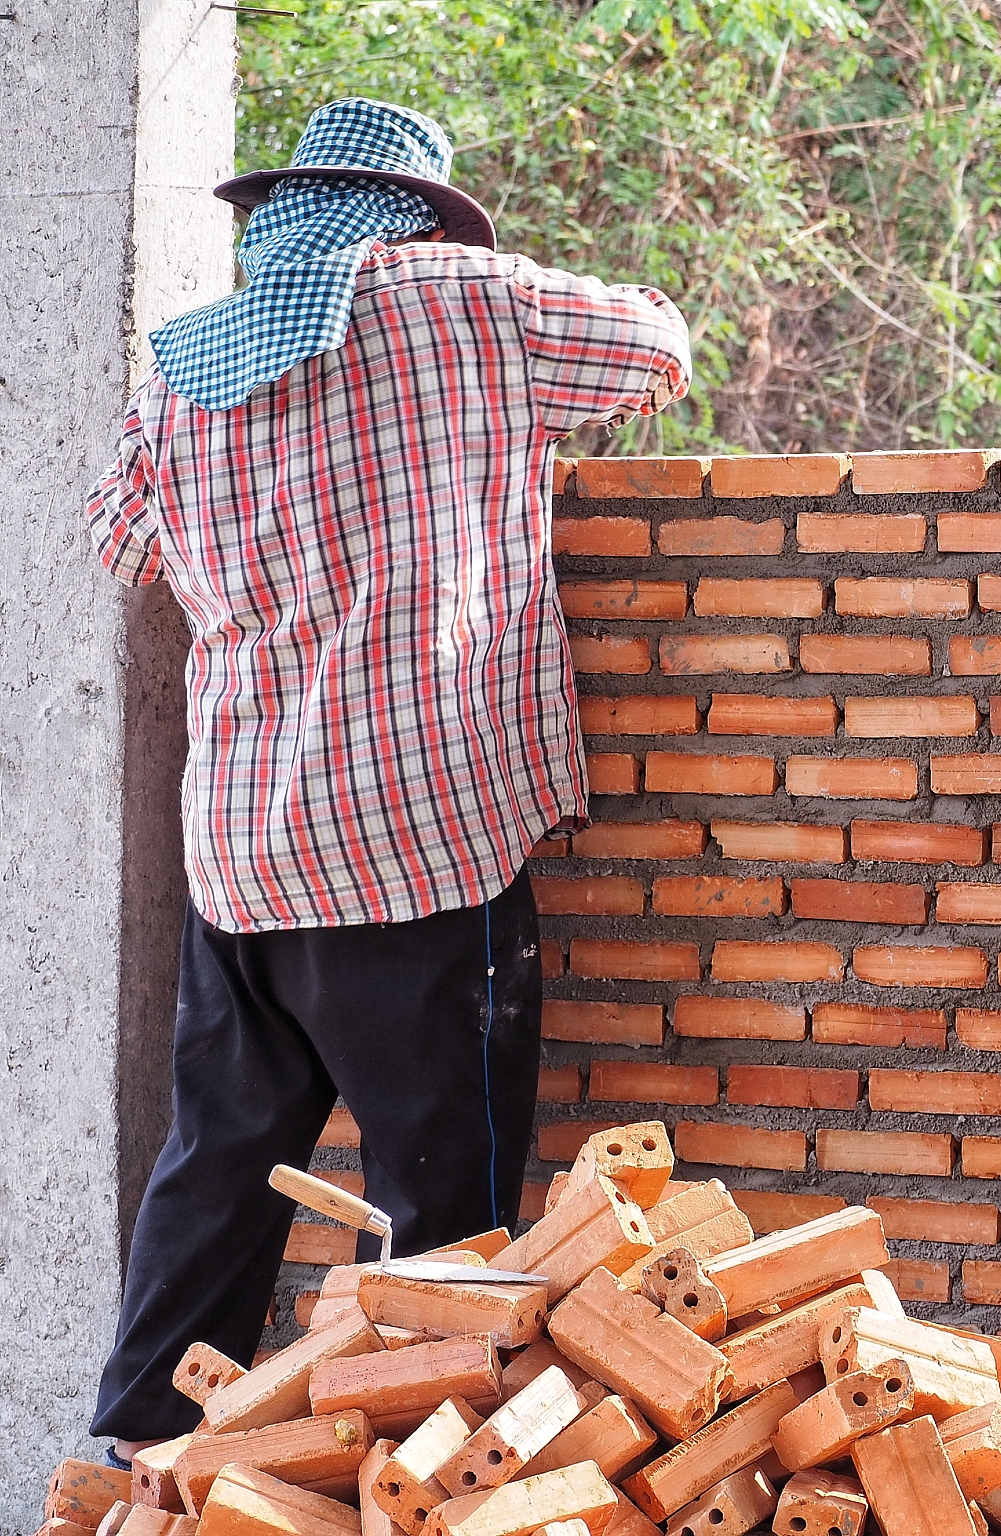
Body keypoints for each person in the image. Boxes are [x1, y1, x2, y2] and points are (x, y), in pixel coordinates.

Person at [82, 97, 691, 1463]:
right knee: (444, 1207)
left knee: (218, 1174)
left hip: (243, 847)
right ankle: (423, 1468)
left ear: (286, 216)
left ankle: (127, 1467)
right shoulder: (469, 304)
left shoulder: (184, 368)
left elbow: (124, 542)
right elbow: (657, 344)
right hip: (414, 845)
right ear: (410, 220)